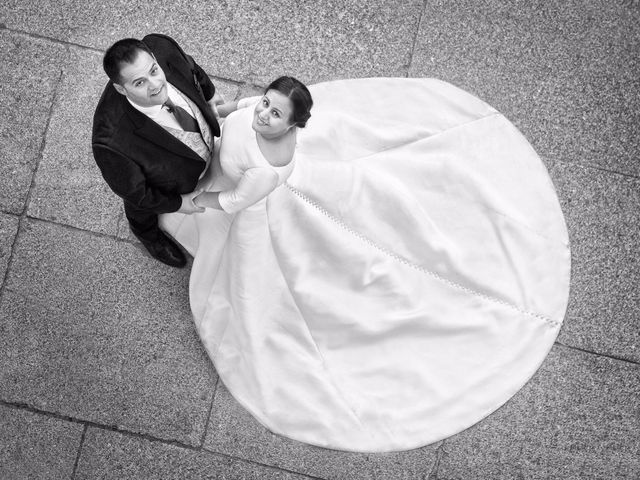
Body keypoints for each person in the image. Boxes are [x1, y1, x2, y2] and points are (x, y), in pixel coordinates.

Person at [161, 76, 571, 452]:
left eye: (275, 113)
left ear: (293, 125)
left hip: (250, 206)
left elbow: (234, 202)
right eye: (267, 103)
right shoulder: (255, 113)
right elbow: (243, 106)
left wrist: (194, 203)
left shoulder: (267, 170)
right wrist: (224, 112)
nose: (264, 114)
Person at [92, 34, 223, 268]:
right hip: (160, 183)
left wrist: (209, 93)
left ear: (155, 58)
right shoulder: (111, 143)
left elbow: (192, 68)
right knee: (140, 208)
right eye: (139, 83)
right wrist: (178, 204)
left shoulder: (162, 46)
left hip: (197, 157)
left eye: (153, 71)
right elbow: (137, 193)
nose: (155, 85)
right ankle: (147, 235)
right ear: (121, 90)